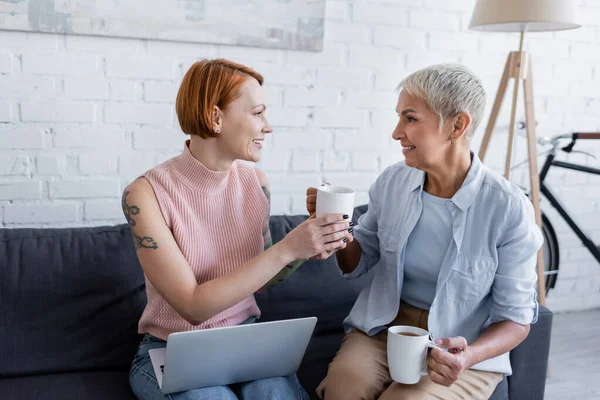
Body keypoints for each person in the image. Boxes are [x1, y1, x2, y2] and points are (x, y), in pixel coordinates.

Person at [306, 64, 543, 400]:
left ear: (457, 125)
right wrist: (335, 227)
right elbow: (356, 263)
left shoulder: (508, 208)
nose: (396, 132)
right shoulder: (392, 183)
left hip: (460, 342)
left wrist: (468, 356)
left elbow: (516, 320)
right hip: (387, 328)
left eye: (410, 118)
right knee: (346, 383)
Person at [123, 58, 353, 400]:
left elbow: (262, 281)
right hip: (171, 349)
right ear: (216, 118)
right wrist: (288, 247)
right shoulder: (145, 194)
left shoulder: (255, 183)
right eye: (258, 113)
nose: (268, 126)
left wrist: (307, 241)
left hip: (245, 343)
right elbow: (193, 306)